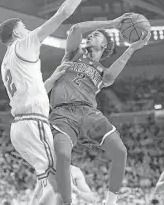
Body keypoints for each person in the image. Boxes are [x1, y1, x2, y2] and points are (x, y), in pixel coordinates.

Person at [0, 0, 105, 204]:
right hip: (32, 124)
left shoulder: (7, 61)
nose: (28, 30)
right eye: (24, 27)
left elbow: (32, 92)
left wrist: (54, 77)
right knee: (60, 187)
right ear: (16, 32)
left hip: (23, 126)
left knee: (58, 183)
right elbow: (63, 13)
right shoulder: (23, 44)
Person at [49, 14, 151, 205]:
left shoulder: (103, 72)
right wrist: (111, 23)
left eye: (96, 35)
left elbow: (111, 76)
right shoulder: (73, 54)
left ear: (104, 45)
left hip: (88, 113)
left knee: (120, 151)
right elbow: (77, 28)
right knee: (62, 155)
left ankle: (110, 202)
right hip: (62, 113)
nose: (90, 36)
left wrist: (131, 48)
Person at [29, 165, 99, 205]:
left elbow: (92, 199)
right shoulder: (43, 171)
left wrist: (76, 191)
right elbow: (36, 196)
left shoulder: (74, 171)